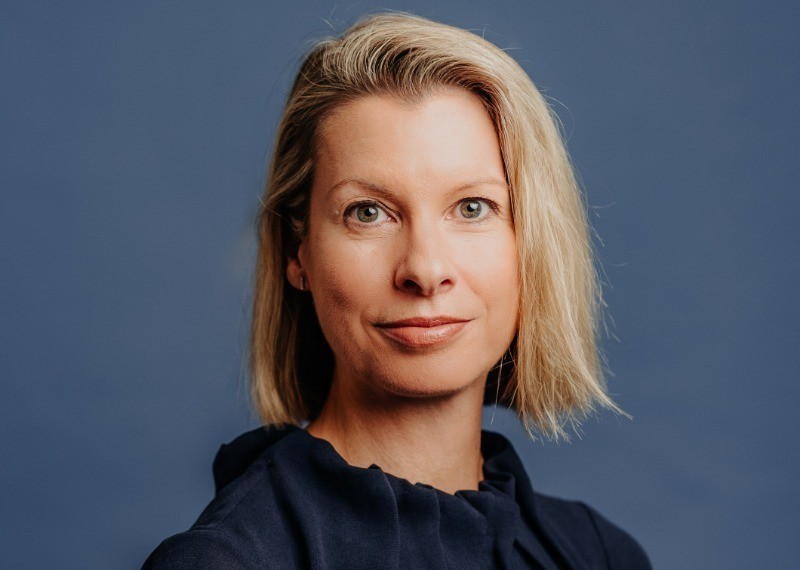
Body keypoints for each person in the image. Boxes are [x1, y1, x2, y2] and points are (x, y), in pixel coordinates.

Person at [143, 12, 651, 569]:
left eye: (472, 208)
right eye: (368, 212)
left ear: (532, 241)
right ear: (297, 253)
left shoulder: (601, 554)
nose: (425, 270)